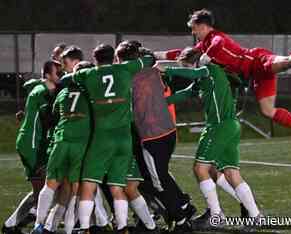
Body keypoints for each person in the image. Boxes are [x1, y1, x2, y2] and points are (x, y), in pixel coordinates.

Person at [155, 9, 291, 150]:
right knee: (267, 111)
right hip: (255, 75)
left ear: (203, 26)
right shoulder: (203, 44)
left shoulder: (216, 38)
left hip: (258, 60)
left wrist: (207, 56)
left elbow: (218, 45)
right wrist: (154, 54)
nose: (194, 34)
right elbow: (181, 54)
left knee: (287, 62)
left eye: (195, 30)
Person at [156, 47, 262, 231]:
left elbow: (196, 72)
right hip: (229, 126)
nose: (186, 70)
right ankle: (255, 216)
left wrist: (165, 68)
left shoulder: (209, 70)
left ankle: (216, 215)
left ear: (196, 62)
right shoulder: (202, 78)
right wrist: (160, 103)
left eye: (186, 66)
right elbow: (186, 93)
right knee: (230, 172)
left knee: (200, 168)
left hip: (219, 127)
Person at [61, 44, 153, 234]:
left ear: (95, 59)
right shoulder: (125, 68)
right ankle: (122, 228)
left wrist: (74, 75)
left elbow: (64, 79)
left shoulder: (88, 74)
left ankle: (85, 228)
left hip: (102, 138)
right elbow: (149, 60)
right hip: (124, 139)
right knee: (117, 186)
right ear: (113, 58)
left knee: (88, 183)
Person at [116, 41, 196, 233]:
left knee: (157, 181)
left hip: (153, 135)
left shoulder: (129, 76)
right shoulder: (152, 70)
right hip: (167, 131)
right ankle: (183, 204)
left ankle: (181, 220)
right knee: (160, 175)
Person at [31, 61, 94, 234]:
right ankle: (68, 230)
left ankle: (39, 224)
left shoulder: (63, 92)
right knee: (74, 190)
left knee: (50, 184)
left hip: (60, 142)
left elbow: (53, 117)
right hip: (79, 144)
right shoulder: (91, 94)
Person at [2, 60, 61, 234]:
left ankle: (11, 225)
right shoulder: (42, 92)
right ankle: (38, 224)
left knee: (44, 189)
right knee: (42, 191)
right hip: (32, 145)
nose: (61, 77)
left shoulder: (42, 89)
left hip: (35, 143)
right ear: (48, 75)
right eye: (58, 73)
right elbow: (48, 117)